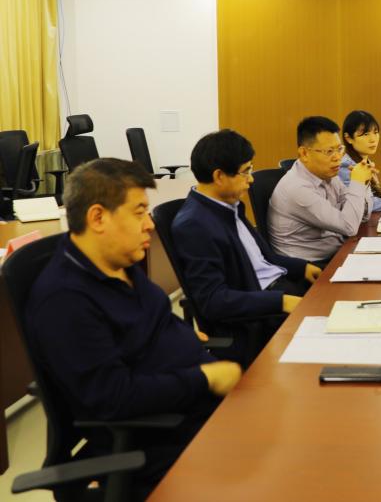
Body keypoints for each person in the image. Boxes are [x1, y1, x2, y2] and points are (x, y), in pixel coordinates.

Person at [25, 158, 242, 499]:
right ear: (98, 218)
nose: (150, 225)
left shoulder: (117, 264)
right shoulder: (64, 301)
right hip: (157, 443)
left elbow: (158, 320)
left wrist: (192, 349)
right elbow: (114, 397)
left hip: (199, 415)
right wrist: (204, 378)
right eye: (139, 212)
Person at [172, 130, 319, 365]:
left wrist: (303, 267)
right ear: (219, 176)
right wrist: (280, 301)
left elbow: (263, 258)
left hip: (276, 294)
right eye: (245, 171)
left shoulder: (228, 206)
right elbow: (213, 300)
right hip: (257, 322)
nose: (251, 179)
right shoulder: (194, 225)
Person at [269, 116, 373, 264]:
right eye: (329, 151)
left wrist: (364, 183)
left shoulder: (327, 174)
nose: (337, 157)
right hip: (311, 267)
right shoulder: (297, 188)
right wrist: (357, 182)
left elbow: (362, 217)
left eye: (339, 149)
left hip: (336, 252)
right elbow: (349, 226)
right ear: (304, 153)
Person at [340, 109, 381, 212]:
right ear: (348, 138)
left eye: (375, 132)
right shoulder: (346, 166)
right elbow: (355, 205)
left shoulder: (365, 161)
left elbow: (363, 196)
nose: (373, 139)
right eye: (365, 134)